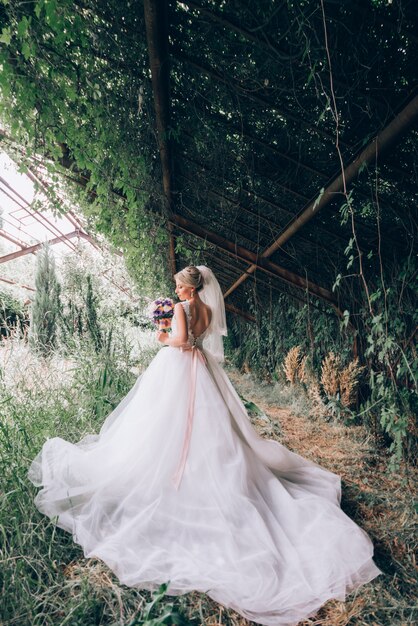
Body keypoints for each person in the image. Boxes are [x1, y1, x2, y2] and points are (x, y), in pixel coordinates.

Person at [28, 265, 381, 626]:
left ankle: (173, 474)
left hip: (179, 366)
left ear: (187, 287)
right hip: (203, 371)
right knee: (209, 429)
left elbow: (180, 342)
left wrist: (162, 333)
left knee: (163, 424)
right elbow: (200, 338)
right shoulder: (208, 309)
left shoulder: (181, 309)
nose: (176, 289)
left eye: (179, 285)